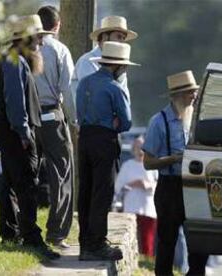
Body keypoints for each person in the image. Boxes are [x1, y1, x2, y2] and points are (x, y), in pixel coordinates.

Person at [0, 14, 59, 259]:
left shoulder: (14, 61)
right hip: (16, 134)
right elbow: (15, 102)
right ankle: (32, 239)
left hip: (10, 134)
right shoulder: (15, 63)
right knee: (27, 186)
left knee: (11, 184)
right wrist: (24, 132)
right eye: (39, 38)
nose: (41, 43)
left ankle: (10, 232)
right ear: (28, 39)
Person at [76, 41, 139, 261]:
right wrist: (113, 122)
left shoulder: (84, 83)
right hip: (104, 140)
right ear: (118, 66)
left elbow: (79, 112)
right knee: (102, 193)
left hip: (84, 138)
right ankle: (96, 244)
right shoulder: (115, 87)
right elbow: (126, 122)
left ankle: (85, 242)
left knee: (86, 190)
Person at [143, 70, 208, 275]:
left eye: (194, 92)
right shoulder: (159, 121)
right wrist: (173, 159)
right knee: (167, 241)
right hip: (169, 187)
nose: (194, 96)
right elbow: (148, 162)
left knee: (199, 240)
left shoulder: (196, 119)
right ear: (178, 95)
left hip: (194, 186)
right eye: (190, 93)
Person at [34, 5, 75, 249]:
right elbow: (68, 89)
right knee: (62, 173)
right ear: (57, 26)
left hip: (29, 117)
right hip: (52, 115)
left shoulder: (24, 49)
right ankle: (57, 232)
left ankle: (22, 226)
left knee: (27, 173)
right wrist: (74, 119)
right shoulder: (59, 49)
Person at [72, 15, 138, 103]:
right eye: (118, 37)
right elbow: (97, 99)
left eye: (123, 38)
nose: (122, 42)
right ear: (104, 37)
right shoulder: (87, 61)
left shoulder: (119, 66)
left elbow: (126, 101)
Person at [114, 136, 158, 257]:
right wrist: (132, 184)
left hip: (148, 210)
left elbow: (159, 186)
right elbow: (118, 188)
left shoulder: (153, 166)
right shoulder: (128, 165)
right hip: (131, 209)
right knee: (131, 239)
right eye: (137, 148)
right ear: (133, 149)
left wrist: (148, 185)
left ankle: (146, 266)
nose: (140, 151)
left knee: (147, 242)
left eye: (142, 149)